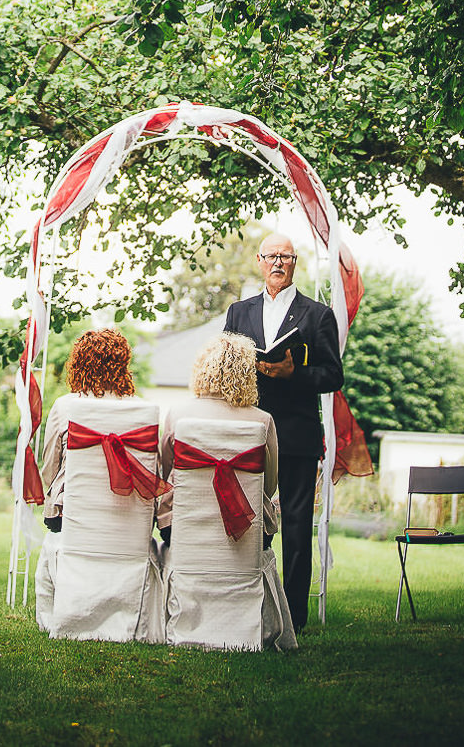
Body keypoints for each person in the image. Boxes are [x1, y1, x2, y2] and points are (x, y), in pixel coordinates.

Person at [223, 232, 343, 632]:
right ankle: (245, 603)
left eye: (286, 257)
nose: (278, 262)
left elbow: (333, 375)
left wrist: (296, 374)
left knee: (294, 524)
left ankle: (293, 615)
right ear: (259, 261)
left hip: (297, 431)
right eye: (271, 256)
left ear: (295, 264)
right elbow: (225, 366)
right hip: (248, 430)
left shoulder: (317, 314)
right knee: (247, 519)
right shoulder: (238, 313)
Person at [157, 332, 296, 650]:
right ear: (248, 374)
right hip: (248, 533)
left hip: (184, 530)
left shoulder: (178, 414)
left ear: (202, 368)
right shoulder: (262, 420)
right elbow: (269, 484)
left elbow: (166, 471)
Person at [39, 329, 151, 531]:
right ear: (123, 365)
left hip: (69, 515)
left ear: (78, 365)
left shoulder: (65, 406)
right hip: (127, 518)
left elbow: (50, 470)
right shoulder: (143, 410)